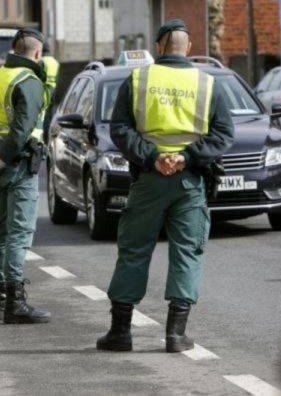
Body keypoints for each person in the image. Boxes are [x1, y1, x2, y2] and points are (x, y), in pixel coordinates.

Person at [96, 19, 235, 352]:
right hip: (189, 182)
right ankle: (175, 335)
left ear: (159, 47)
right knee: (187, 252)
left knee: (134, 250)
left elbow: (120, 129)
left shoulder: (138, 78)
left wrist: (154, 156)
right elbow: (223, 134)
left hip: (148, 179)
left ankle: (120, 332)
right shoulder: (207, 83)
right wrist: (186, 157)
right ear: (188, 48)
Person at [0, 28, 51, 324]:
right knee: (19, 234)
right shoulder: (28, 81)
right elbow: (21, 130)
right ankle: (15, 303)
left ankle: (0, 301)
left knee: (3, 235)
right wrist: (0, 160)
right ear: (37, 53)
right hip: (18, 165)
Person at [41, 41, 60, 143]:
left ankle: (44, 138)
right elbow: (58, 78)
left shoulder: (41, 61)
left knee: (43, 116)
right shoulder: (55, 61)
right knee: (51, 116)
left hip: (44, 90)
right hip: (54, 90)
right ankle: (50, 137)